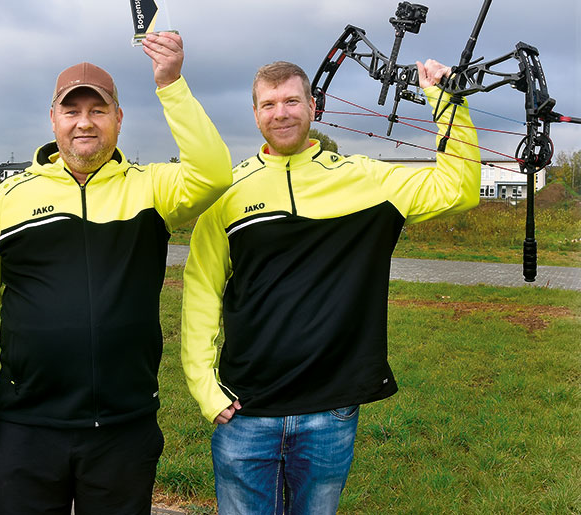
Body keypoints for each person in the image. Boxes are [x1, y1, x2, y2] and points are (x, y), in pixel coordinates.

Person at [0, 32, 232, 515]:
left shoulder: (152, 188)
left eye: (97, 111)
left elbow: (213, 173)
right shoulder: (10, 196)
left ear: (118, 119)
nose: (84, 123)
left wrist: (171, 83)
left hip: (123, 425)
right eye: (72, 111)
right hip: (26, 424)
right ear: (53, 119)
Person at [181, 60, 481, 514]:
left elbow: (459, 187)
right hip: (244, 411)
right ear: (256, 114)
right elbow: (201, 289)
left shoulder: (367, 179)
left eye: (291, 101)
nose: (281, 113)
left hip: (330, 413)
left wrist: (444, 100)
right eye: (269, 104)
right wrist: (204, 386)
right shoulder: (228, 193)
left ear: (313, 107)